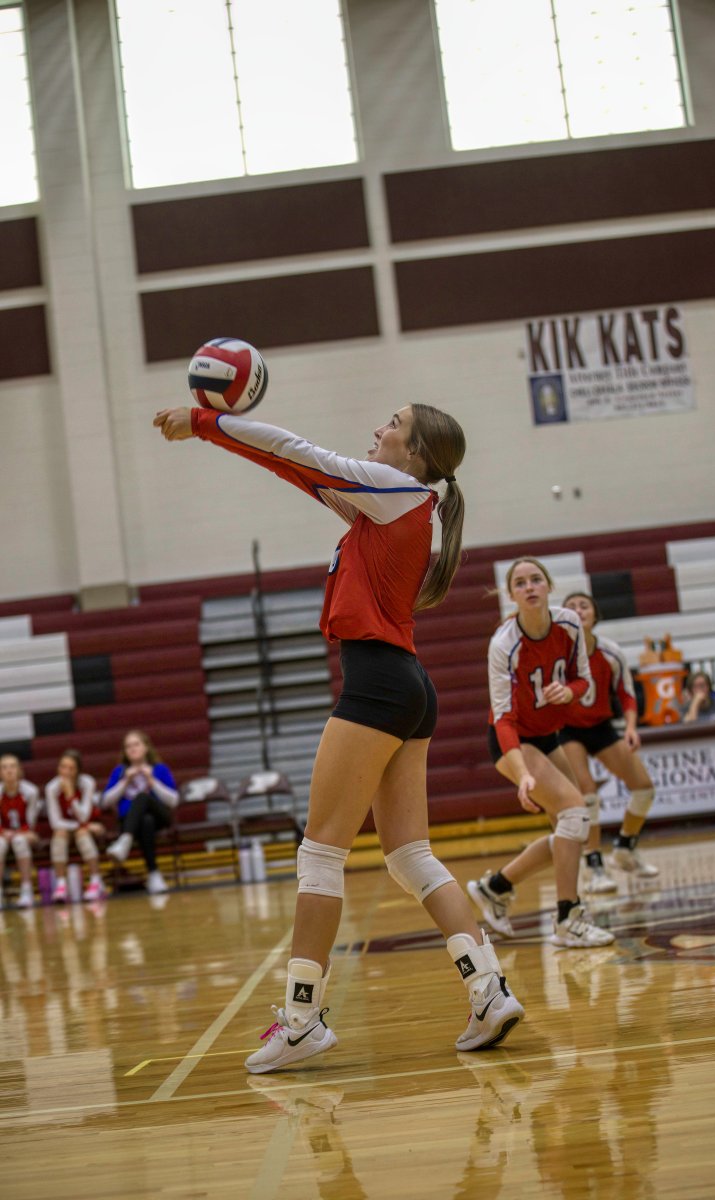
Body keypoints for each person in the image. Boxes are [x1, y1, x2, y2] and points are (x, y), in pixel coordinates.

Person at [154, 400, 524, 1073]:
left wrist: (204, 422)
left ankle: (301, 1021)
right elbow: (296, 470)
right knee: (410, 857)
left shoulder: (394, 489)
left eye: (393, 423)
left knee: (320, 854)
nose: (378, 428)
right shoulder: (389, 504)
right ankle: (488, 989)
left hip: (378, 683)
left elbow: (298, 450)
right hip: (408, 684)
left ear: (416, 453)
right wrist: (221, 439)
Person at [466, 558, 615, 949]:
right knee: (574, 813)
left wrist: (569, 692)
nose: (529, 586)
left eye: (536, 579)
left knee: (571, 830)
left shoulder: (569, 624)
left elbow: (582, 679)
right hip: (514, 741)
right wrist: (523, 774)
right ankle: (568, 919)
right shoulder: (503, 644)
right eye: (520, 583)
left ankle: (496, 887)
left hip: (549, 734)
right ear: (511, 595)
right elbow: (503, 718)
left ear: (548, 586)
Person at [560, 592, 659, 891]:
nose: (578, 610)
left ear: (595, 614)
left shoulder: (611, 652)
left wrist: (631, 728)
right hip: (566, 729)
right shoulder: (557, 654)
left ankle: (625, 849)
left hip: (601, 726)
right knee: (587, 794)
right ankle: (594, 865)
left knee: (644, 787)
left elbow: (626, 695)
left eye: (584, 605)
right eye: (571, 607)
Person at [103, 730, 178, 895]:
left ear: (146, 747)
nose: (132, 749)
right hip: (131, 821)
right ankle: (154, 874)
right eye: (128, 746)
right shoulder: (120, 771)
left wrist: (152, 780)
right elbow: (106, 801)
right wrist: (125, 781)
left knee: (142, 798)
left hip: (160, 817)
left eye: (136, 744)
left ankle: (125, 840)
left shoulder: (159, 769)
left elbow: (173, 800)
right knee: (146, 821)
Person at [44, 750, 107, 902]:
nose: (66, 772)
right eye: (63, 767)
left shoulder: (87, 783)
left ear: (78, 770)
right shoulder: (51, 788)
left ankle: (96, 881)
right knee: (59, 834)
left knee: (82, 834)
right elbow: (55, 822)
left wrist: (71, 796)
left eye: (71, 768)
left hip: (87, 824)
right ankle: (61, 884)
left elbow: (84, 815)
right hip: (74, 827)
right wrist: (84, 825)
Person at [0, 753, 40, 909]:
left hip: (26, 833)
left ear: (19, 770)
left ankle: (27, 890)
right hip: (4, 834)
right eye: (4, 767)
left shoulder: (31, 791)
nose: (9, 770)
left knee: (19, 841)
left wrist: (15, 833)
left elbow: (30, 823)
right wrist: (4, 832)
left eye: (12, 766)